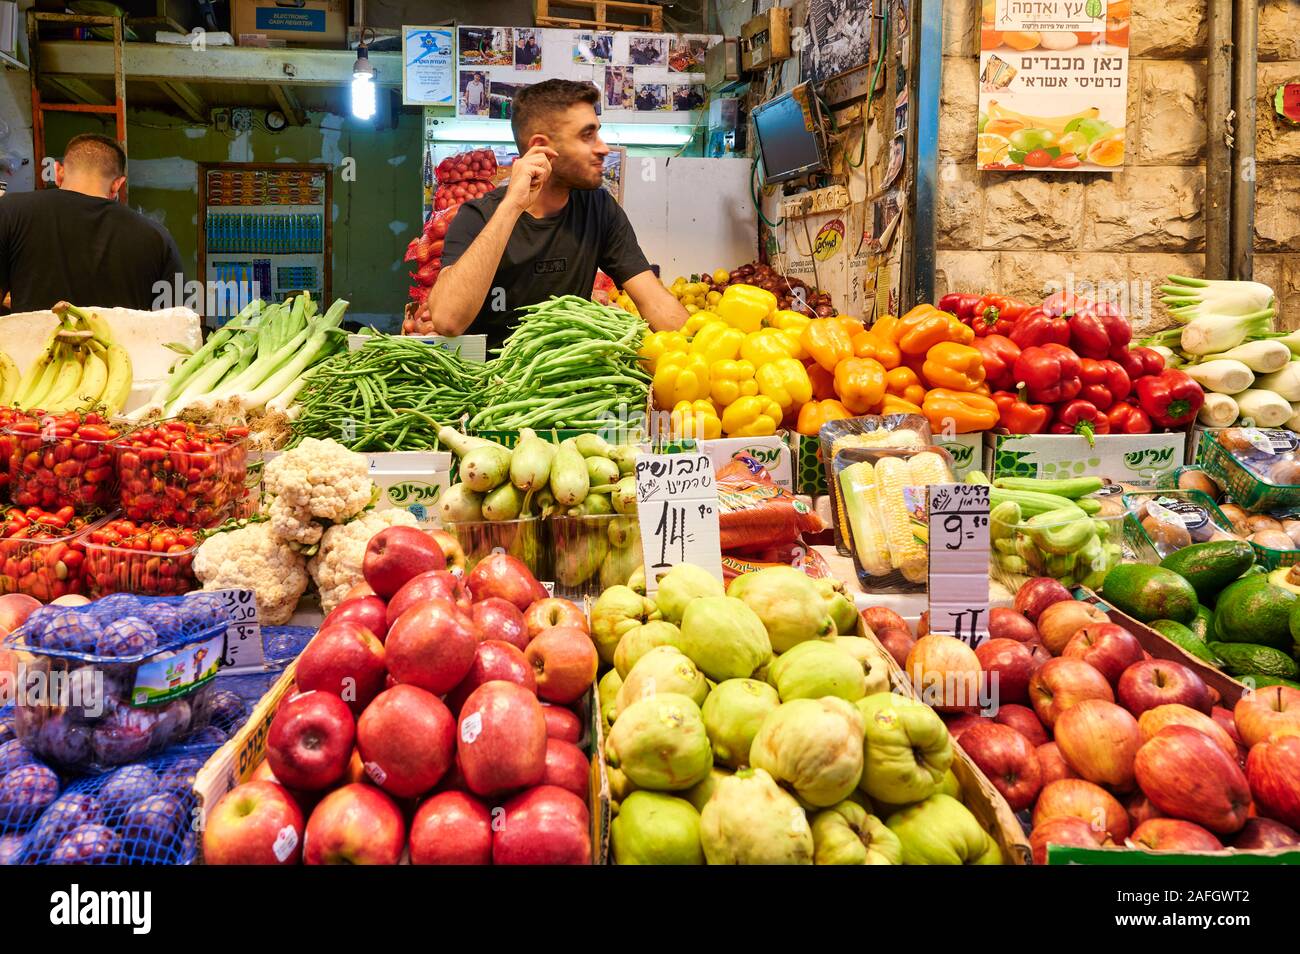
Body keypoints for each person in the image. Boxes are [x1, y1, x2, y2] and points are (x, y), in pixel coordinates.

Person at [428, 79, 686, 347]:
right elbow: (448, 320)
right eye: (587, 135)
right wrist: (512, 205)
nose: (603, 148)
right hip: (492, 381)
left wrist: (706, 352)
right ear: (541, 147)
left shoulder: (598, 208)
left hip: (568, 381)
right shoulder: (476, 217)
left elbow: (654, 302)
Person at [0, 134, 183, 312]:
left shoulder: (9, 211)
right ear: (117, 185)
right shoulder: (157, 237)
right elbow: (175, 323)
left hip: (33, 343)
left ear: (58, 172)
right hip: (116, 344)